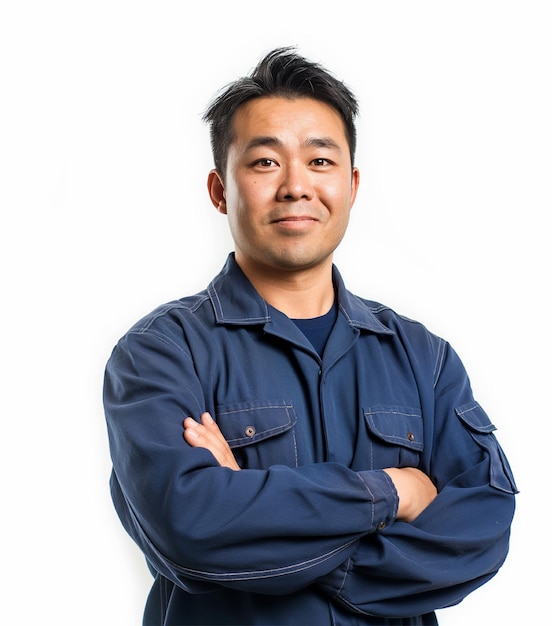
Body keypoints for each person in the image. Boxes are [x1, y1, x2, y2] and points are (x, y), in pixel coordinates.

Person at [103, 46, 518, 626]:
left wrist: (256, 515)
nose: (296, 186)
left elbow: (481, 529)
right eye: (265, 162)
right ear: (220, 190)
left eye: (320, 162)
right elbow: (190, 529)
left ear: (350, 185)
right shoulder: (161, 355)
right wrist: (392, 493)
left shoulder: (422, 358)